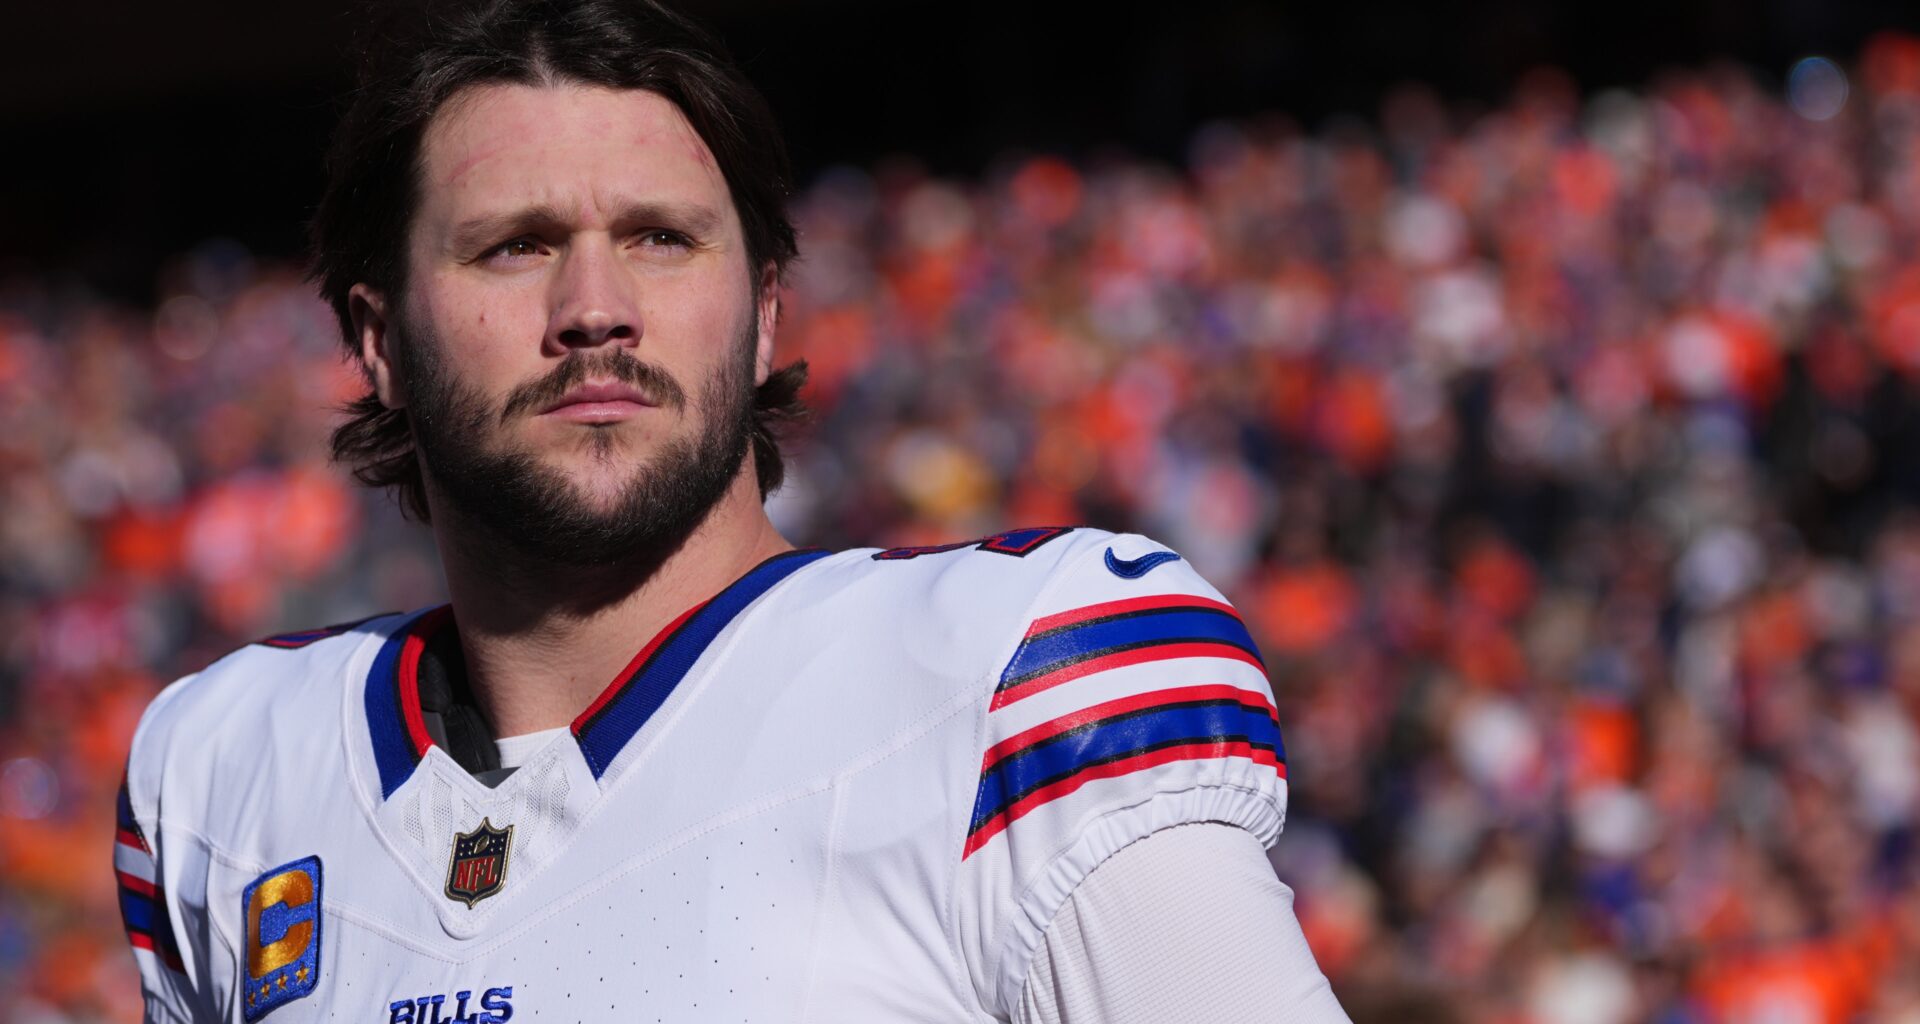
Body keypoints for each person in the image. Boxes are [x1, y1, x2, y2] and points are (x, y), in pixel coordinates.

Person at [112, 1, 1351, 1020]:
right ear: (379, 342)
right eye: (512, 247)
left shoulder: (1009, 673)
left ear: (762, 316)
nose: (593, 306)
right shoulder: (223, 769)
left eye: (660, 238)